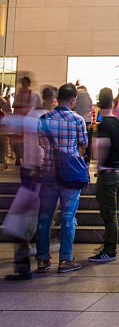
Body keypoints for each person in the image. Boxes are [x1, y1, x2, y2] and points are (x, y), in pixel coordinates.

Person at [35, 82, 89, 274]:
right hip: (70, 175)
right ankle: (65, 259)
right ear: (73, 101)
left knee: (44, 217)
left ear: (58, 99)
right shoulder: (77, 120)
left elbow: (42, 143)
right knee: (68, 216)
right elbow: (83, 143)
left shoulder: (44, 119)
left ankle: (42, 260)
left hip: (49, 173)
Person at [4, 86, 55, 280]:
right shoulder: (45, 119)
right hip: (39, 175)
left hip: (31, 175)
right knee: (31, 219)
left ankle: (26, 263)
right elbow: (41, 149)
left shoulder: (32, 118)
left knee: (21, 220)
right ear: (52, 100)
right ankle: (35, 258)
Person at [88, 87, 119, 263]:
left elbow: (101, 148)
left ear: (98, 104)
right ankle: (108, 244)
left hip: (109, 174)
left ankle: (109, 249)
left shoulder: (102, 125)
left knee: (109, 214)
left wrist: (100, 165)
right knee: (113, 213)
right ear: (112, 103)